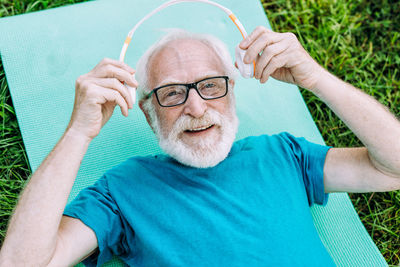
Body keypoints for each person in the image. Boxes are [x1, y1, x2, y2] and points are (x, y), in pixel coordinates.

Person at [0, 26, 399, 266]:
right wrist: (77, 133)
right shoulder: (121, 191)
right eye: (172, 93)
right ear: (148, 111)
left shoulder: (283, 154)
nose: (195, 106)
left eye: (210, 86)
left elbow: (393, 168)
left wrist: (315, 78)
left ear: (232, 93)